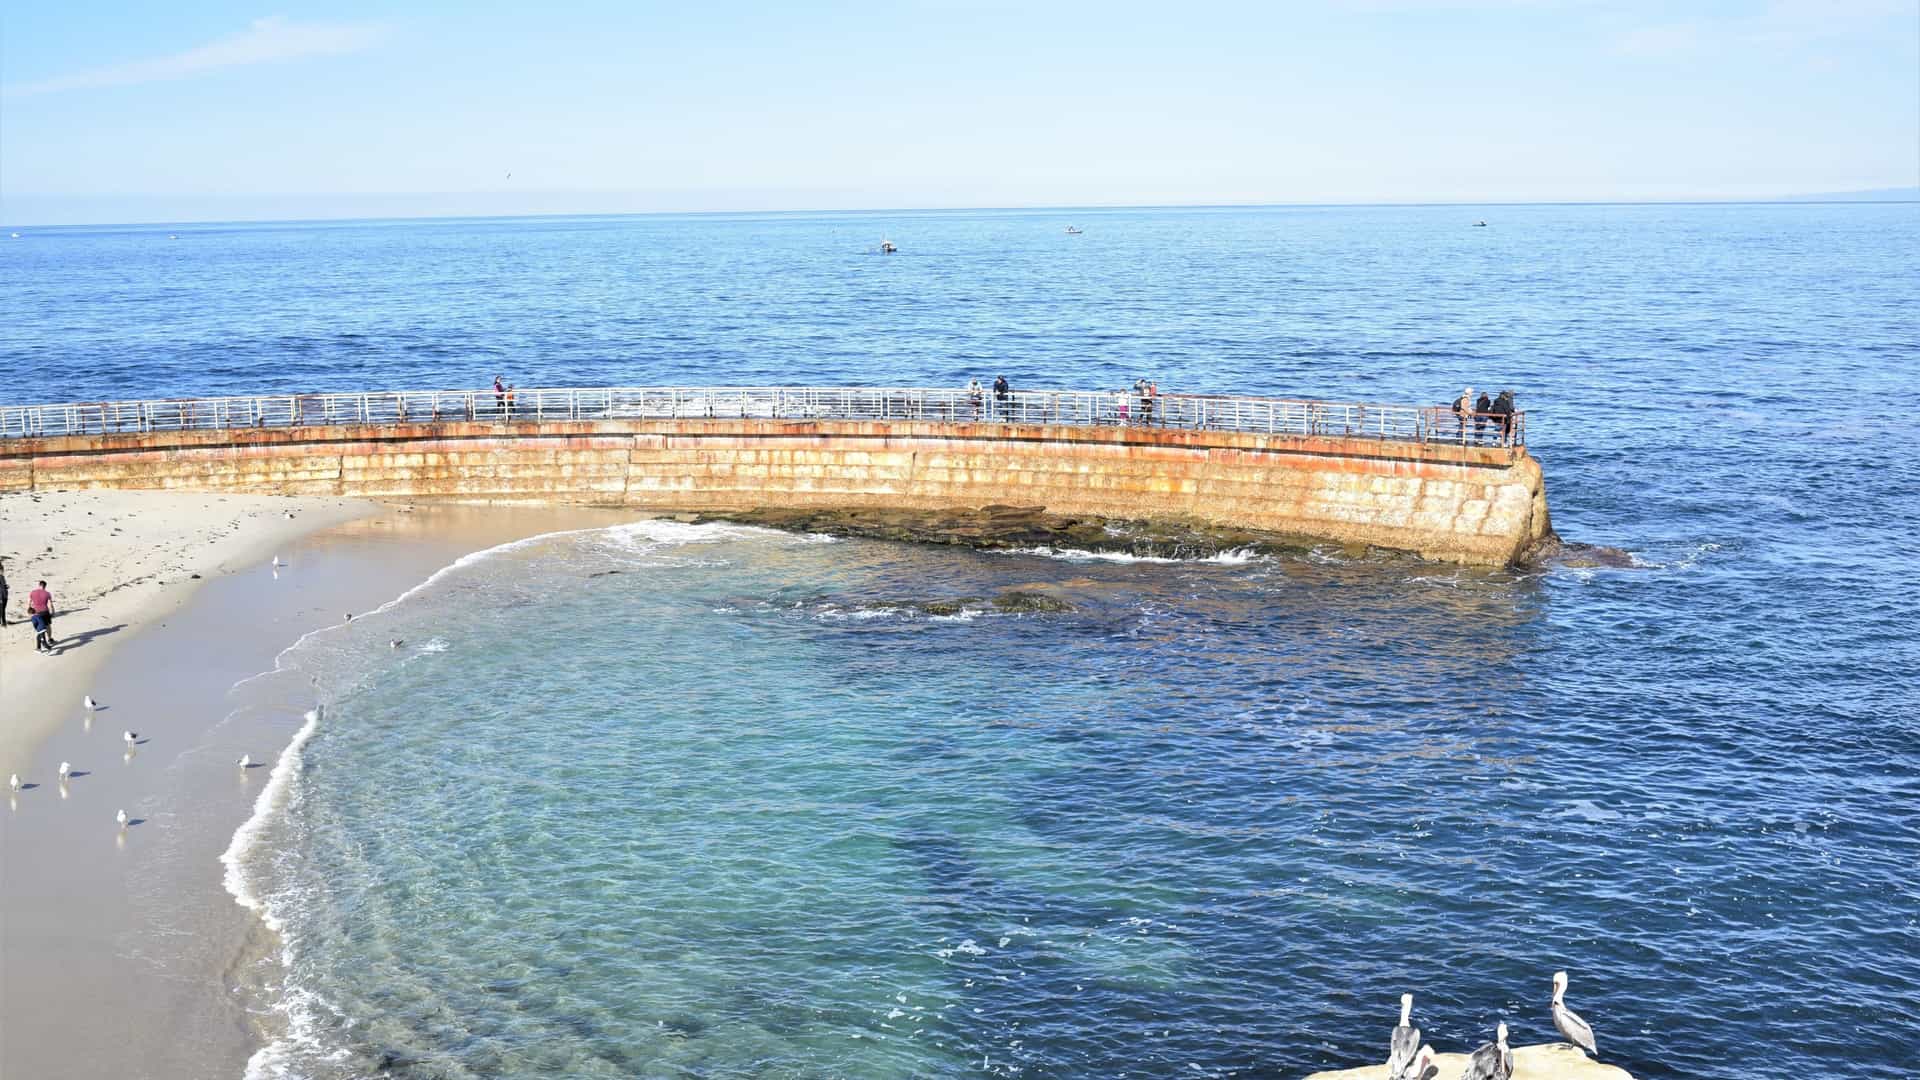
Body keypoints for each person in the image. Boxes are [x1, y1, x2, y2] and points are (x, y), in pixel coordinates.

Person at [27, 579, 55, 653]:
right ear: (45, 586)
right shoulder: (47, 593)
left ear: (39, 585)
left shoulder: (33, 592)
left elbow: (29, 602)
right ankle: (49, 639)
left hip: (36, 612)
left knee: (39, 627)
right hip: (45, 611)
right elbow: (50, 603)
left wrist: (29, 610)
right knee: (48, 625)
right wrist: (53, 611)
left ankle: (41, 642)